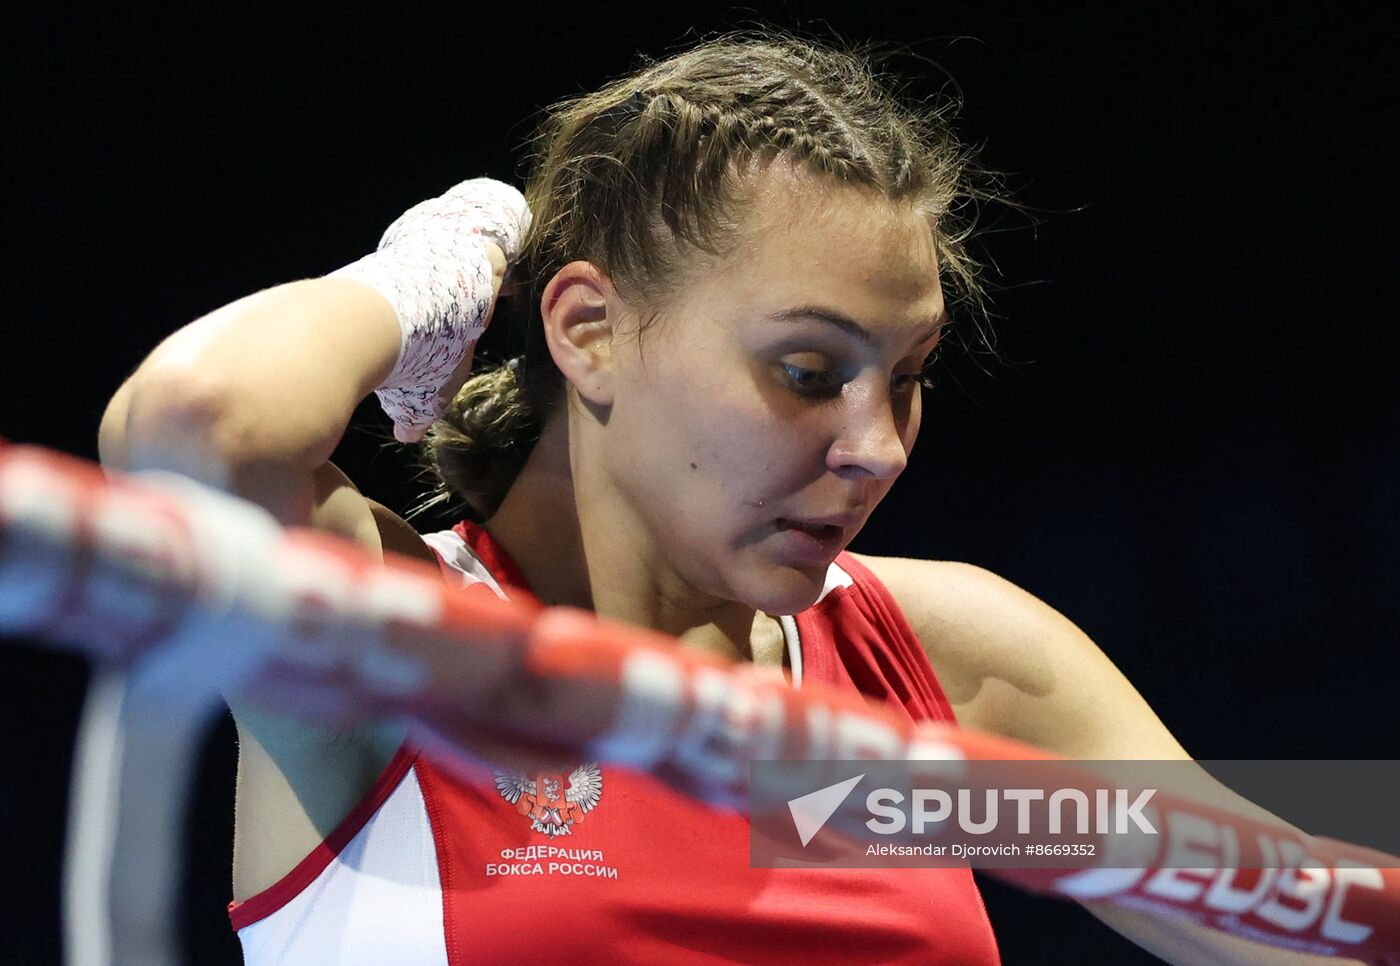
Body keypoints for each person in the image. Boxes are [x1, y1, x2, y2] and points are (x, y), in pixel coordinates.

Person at [96, 31, 1357, 966]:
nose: (878, 448)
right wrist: (437, 267)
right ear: (587, 329)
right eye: (808, 374)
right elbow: (192, 426)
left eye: (905, 380)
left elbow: (1315, 923)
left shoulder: (941, 677)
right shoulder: (391, 650)